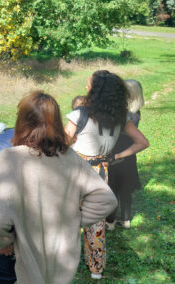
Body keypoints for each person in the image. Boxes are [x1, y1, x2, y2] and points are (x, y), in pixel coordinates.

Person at [0, 91, 118, 284]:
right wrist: (71, 220)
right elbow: (106, 199)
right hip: (58, 257)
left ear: (22, 121)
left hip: (15, 256)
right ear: (56, 123)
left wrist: (1, 242)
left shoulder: (9, 158)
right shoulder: (71, 158)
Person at [64, 71, 149, 279]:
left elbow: (62, 144)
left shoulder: (79, 115)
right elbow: (143, 143)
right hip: (101, 173)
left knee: (69, 218)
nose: (86, 88)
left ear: (97, 91)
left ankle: (66, 261)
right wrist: (118, 154)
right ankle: (96, 269)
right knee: (96, 221)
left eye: (89, 85)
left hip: (76, 171)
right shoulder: (120, 117)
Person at [106, 79, 145, 229]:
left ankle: (110, 221)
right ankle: (126, 219)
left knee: (113, 188)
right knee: (126, 190)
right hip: (129, 154)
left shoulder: (125, 114)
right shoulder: (136, 112)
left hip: (118, 152)